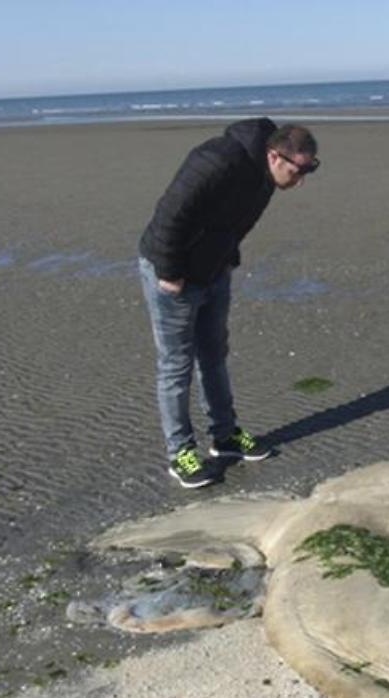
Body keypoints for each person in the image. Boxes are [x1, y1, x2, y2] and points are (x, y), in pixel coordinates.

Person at [138, 118, 319, 488]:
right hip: (172, 275)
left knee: (214, 355)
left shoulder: (265, 179)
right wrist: (171, 273)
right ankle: (181, 453)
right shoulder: (216, 161)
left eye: (309, 171)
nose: (300, 180)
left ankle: (225, 436)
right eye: (299, 170)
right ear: (275, 155)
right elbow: (171, 213)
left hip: (214, 271)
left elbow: (236, 222)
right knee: (176, 364)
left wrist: (227, 259)